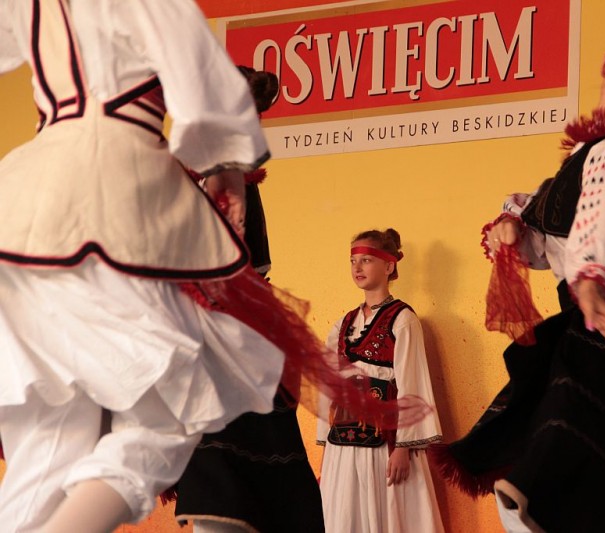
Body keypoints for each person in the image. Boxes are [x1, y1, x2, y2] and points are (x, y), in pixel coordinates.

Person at [0, 1, 409, 531]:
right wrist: (227, 172)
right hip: (114, 192)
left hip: (22, 199)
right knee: (164, 422)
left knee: (49, 436)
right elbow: (204, 84)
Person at [431, 9, 605, 533]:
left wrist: (588, 280)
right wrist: (515, 229)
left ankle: (532, 501)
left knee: (558, 448)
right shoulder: (594, 151)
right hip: (591, 316)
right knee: (591, 470)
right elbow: (560, 233)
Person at [171, 66, 325, 533]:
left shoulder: (227, 180)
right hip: (214, 339)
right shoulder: (187, 174)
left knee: (234, 491)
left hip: (228, 342)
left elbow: (245, 270)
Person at [318, 229, 445, 533]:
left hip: (386, 442)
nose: (357, 268)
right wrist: (326, 450)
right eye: (353, 261)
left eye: (366, 260)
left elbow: (412, 382)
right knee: (344, 513)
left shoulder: (403, 320)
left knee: (389, 512)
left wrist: (403, 447)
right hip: (343, 443)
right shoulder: (342, 324)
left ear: (389, 265)